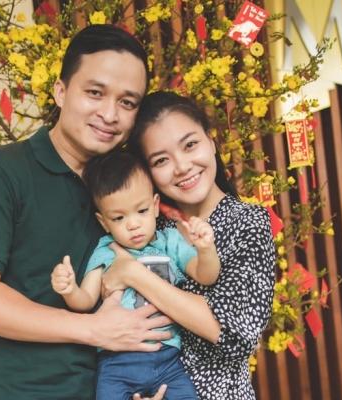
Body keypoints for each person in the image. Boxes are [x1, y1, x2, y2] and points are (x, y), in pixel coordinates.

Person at [0, 25, 173, 400]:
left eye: (127, 103)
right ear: (61, 91)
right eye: (95, 93)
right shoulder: (0, 173)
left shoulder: (132, 187)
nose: (109, 114)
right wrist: (93, 329)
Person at [103, 91, 276, 400]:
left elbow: (235, 333)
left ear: (211, 141)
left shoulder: (247, 222)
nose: (182, 166)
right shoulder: (145, 230)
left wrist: (134, 274)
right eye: (161, 160)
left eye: (190, 145)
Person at [51, 150, 221, 399]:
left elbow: (206, 276)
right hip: (118, 362)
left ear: (155, 206)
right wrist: (69, 289)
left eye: (141, 211)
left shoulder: (169, 242)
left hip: (168, 360)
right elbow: (85, 301)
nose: (133, 224)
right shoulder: (106, 251)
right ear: (104, 222)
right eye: (119, 217)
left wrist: (206, 250)